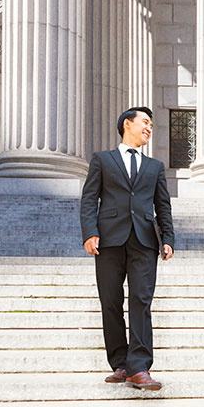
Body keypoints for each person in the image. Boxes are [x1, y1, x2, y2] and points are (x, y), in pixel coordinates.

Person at [80, 107, 175, 391]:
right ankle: (120, 363)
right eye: (144, 122)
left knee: (141, 301)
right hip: (108, 240)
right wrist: (90, 232)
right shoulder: (102, 160)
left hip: (145, 241)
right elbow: (89, 199)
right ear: (127, 125)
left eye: (151, 124)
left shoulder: (155, 167)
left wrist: (167, 237)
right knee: (110, 302)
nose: (149, 128)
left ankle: (140, 367)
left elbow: (163, 205)